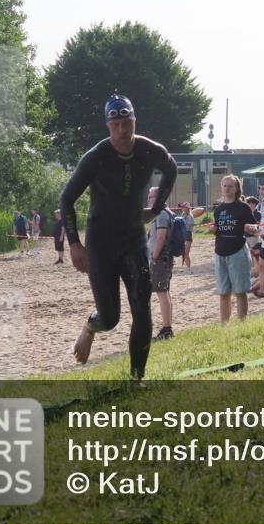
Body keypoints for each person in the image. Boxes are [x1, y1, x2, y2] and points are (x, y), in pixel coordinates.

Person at [61, 94, 177, 382]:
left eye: (127, 123)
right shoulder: (96, 157)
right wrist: (75, 245)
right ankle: (90, 327)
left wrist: (156, 208)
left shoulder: (150, 150)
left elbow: (171, 168)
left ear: (135, 121)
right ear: (108, 126)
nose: (123, 130)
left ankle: (137, 378)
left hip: (134, 239)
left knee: (142, 306)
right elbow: (66, 200)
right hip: (101, 243)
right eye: (116, 125)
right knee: (110, 318)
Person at [207, 174, 259, 322]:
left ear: (237, 188)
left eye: (230, 186)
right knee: (223, 293)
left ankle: (241, 323)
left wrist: (251, 228)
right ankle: (224, 325)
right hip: (220, 252)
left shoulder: (243, 207)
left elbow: (255, 228)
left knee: (240, 291)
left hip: (238, 251)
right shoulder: (218, 209)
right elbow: (218, 228)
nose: (227, 188)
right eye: (224, 185)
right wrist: (213, 228)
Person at [146, 187, 175, 341]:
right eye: (149, 196)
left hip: (161, 258)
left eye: (153, 196)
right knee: (164, 292)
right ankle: (167, 326)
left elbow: (161, 237)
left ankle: (167, 328)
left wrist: (154, 257)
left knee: (162, 293)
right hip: (164, 258)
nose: (150, 199)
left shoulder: (162, 214)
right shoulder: (166, 213)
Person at [179, 202, 206, 273]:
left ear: (186, 208)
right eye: (182, 207)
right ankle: (186, 268)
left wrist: (181, 220)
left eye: (183, 207)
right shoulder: (183, 216)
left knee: (186, 253)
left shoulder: (190, 217)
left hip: (188, 235)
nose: (182, 208)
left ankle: (189, 269)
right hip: (183, 234)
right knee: (183, 253)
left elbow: (187, 226)